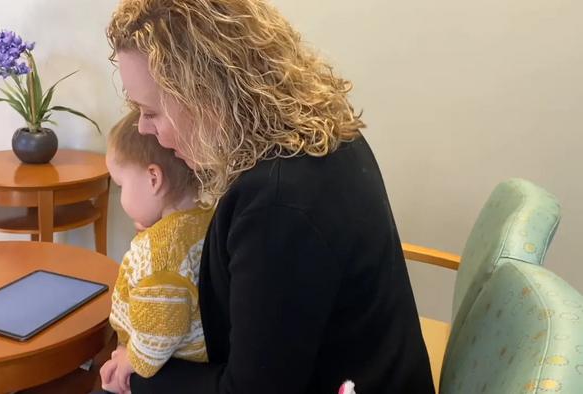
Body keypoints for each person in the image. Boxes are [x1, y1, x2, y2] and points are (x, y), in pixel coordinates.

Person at [101, 0, 435, 392]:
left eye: (150, 112)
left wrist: (138, 377)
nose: (143, 128)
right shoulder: (318, 132)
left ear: (206, 96)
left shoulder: (278, 206)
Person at [100, 110, 213, 393]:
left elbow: (161, 327)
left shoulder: (159, 254)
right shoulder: (208, 218)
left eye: (121, 185)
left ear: (153, 179)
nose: (122, 196)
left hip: (166, 363)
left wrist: (132, 361)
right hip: (201, 356)